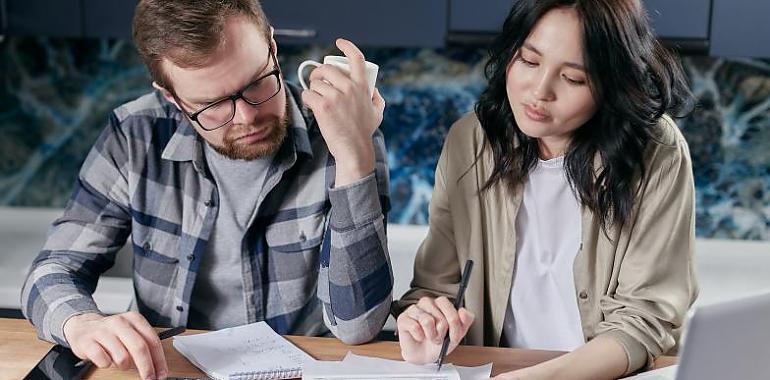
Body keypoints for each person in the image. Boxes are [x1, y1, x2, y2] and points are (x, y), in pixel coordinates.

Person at [20, 1, 392, 379]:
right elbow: (53, 269)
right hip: (169, 370)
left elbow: (357, 325)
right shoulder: (134, 135)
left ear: (272, 48)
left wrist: (353, 156)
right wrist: (81, 323)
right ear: (171, 97)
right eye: (212, 105)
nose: (247, 117)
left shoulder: (346, 131)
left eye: (256, 83)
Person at [393, 0, 697, 379]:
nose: (539, 91)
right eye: (529, 61)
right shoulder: (470, 141)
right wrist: (426, 325)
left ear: (611, 85)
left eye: (573, 79)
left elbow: (644, 319)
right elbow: (436, 288)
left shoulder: (657, 152)